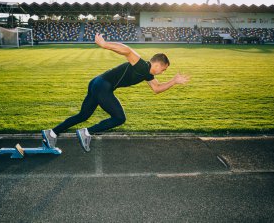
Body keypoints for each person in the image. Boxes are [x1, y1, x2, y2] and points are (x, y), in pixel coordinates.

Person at [42, 33, 190, 152]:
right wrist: (105, 45)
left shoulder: (147, 73)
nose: (162, 73)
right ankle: (86, 132)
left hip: (97, 83)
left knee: (83, 115)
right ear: (157, 64)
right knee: (119, 118)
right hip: (103, 86)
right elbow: (127, 50)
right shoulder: (143, 66)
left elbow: (157, 89)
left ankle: (52, 133)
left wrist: (173, 81)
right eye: (163, 70)